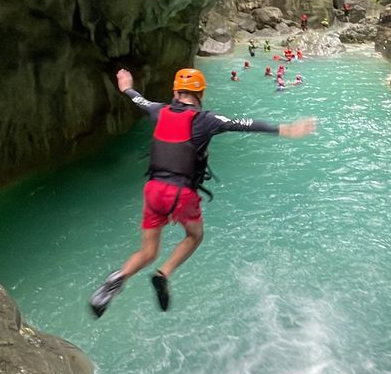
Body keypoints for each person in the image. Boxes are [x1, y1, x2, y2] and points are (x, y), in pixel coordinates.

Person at [89, 68, 316, 315]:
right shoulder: (207, 119)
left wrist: (126, 86)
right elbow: (244, 124)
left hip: (153, 190)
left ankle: (115, 281)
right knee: (195, 236)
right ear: (201, 93)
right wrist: (285, 129)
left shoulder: (157, 110)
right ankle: (163, 274)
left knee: (147, 251)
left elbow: (138, 99)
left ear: (175, 92)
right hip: (180, 194)